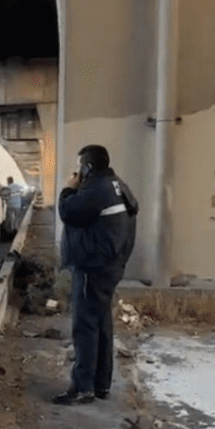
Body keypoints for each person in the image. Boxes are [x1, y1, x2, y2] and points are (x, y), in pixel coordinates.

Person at [54, 145, 139, 405]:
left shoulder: (96, 189)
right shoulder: (117, 185)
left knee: (85, 325)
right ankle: (101, 384)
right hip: (110, 265)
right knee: (101, 322)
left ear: (87, 167)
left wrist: (68, 188)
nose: (79, 171)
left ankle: (83, 387)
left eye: (80, 166)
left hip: (93, 266)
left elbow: (69, 212)